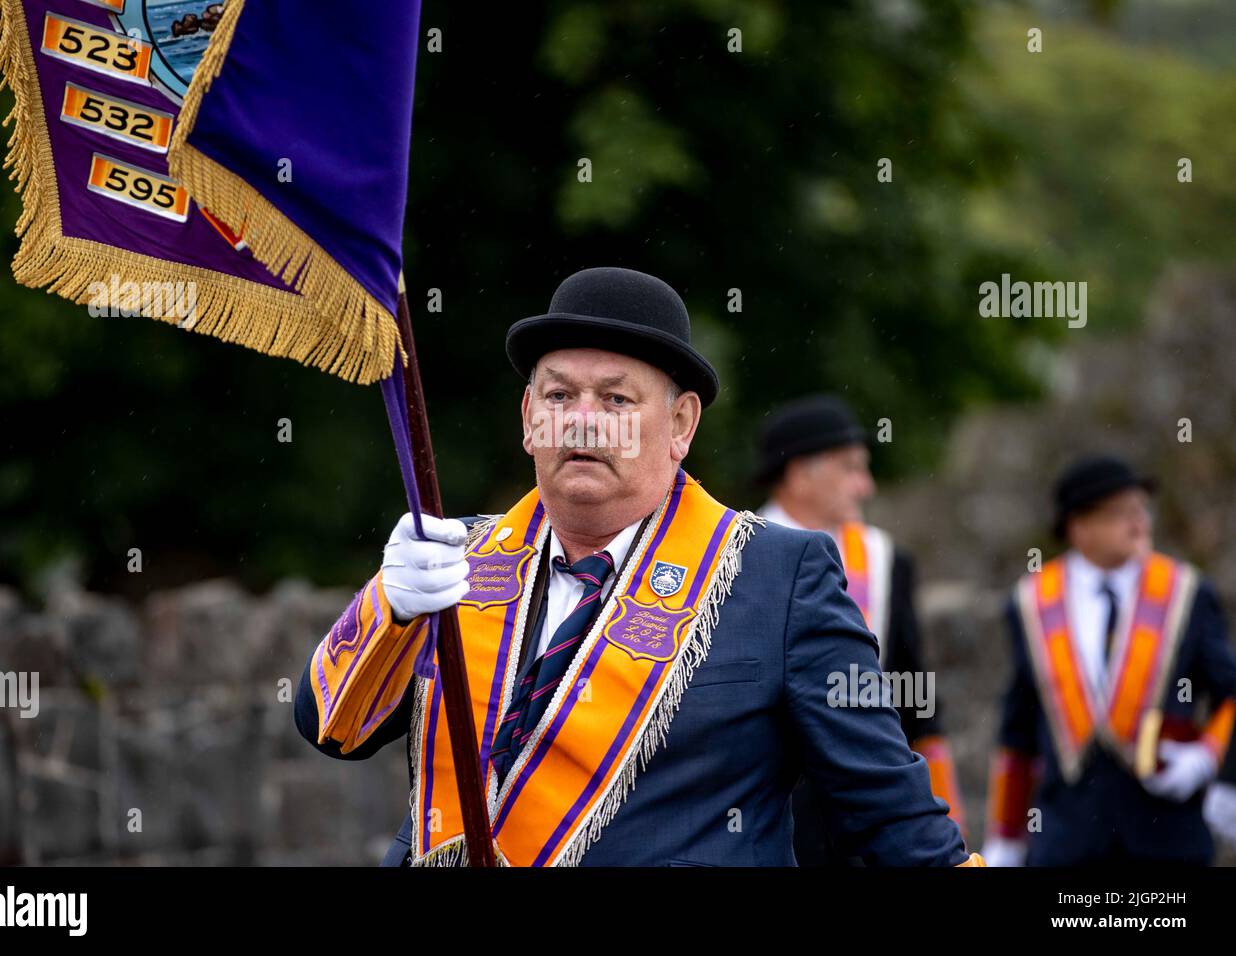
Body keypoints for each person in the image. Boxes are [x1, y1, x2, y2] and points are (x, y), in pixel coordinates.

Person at [294, 266, 982, 867]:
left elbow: (888, 808)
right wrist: (391, 605)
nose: (584, 423)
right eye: (560, 397)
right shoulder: (457, 557)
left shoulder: (781, 576)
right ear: (529, 416)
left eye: (618, 400)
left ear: (682, 425)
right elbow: (328, 729)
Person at [982, 456, 1236, 866]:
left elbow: (1230, 692)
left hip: (1166, 832)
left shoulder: (1187, 593)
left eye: (1141, 509)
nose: (1139, 524)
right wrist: (1007, 836)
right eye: (1121, 513)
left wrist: (1207, 757)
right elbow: (1019, 729)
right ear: (1078, 527)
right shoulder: (1031, 603)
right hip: (1066, 838)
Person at [756, 396, 965, 864]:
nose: (865, 486)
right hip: (770, 816)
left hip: (870, 815)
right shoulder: (734, 557)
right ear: (800, 474)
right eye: (850, 468)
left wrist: (940, 812)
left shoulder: (888, 561)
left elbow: (915, 697)